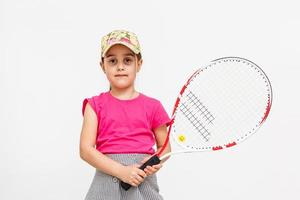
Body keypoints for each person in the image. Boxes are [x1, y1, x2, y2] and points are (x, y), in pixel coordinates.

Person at [80, 30, 171, 200]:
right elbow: (85, 150)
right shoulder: (94, 105)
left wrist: (155, 162)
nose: (120, 66)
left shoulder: (153, 106)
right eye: (112, 60)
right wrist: (121, 171)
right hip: (106, 183)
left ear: (139, 64)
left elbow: (165, 147)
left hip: (142, 180)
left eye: (127, 60)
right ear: (103, 66)